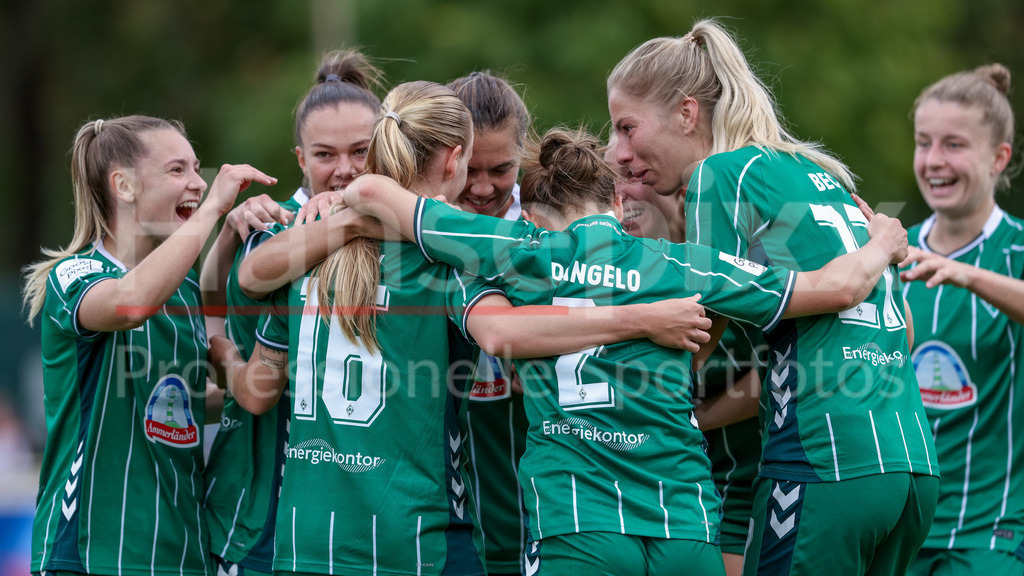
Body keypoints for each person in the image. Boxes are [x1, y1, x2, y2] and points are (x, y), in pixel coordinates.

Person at [340, 124, 909, 576]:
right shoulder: (682, 265)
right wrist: (881, 242)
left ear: (532, 213)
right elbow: (837, 289)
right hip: (683, 522)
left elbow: (368, 191)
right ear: (616, 200)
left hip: (576, 519)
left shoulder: (514, 250)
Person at [606, 19, 939, 575]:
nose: (618, 152)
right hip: (912, 467)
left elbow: (697, 326)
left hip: (823, 462)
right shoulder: (817, 172)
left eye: (626, 128)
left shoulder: (720, 174)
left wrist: (605, 380)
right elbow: (901, 330)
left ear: (687, 113)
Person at [21, 115, 275, 575]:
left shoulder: (185, 293)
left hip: (183, 556)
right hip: (91, 554)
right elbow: (130, 303)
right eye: (177, 170)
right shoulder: (76, 276)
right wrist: (213, 211)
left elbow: (196, 408)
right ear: (123, 185)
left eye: (196, 167)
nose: (199, 182)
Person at [201, 48, 383, 576]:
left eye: (361, 151)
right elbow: (247, 372)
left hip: (368, 514)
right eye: (325, 154)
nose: (344, 170)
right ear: (300, 159)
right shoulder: (268, 234)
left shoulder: (408, 233)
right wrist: (229, 232)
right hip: (262, 512)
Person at [605, 132, 761, 576]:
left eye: (632, 175)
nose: (620, 194)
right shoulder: (616, 276)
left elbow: (787, 367)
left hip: (743, 489)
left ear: (676, 185)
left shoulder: (733, 256)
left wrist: (700, 417)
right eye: (608, 183)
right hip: (656, 501)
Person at [900, 64, 1024, 576]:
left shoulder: (1015, 251)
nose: (934, 160)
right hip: (899, 533)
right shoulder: (892, 252)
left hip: (991, 535)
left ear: (999, 158)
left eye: (953, 145)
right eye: (923, 143)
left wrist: (968, 275)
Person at [446, 70, 531, 576]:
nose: (482, 188)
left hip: (536, 511)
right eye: (469, 169)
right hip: (443, 523)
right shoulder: (407, 225)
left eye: (501, 170)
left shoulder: (552, 224)